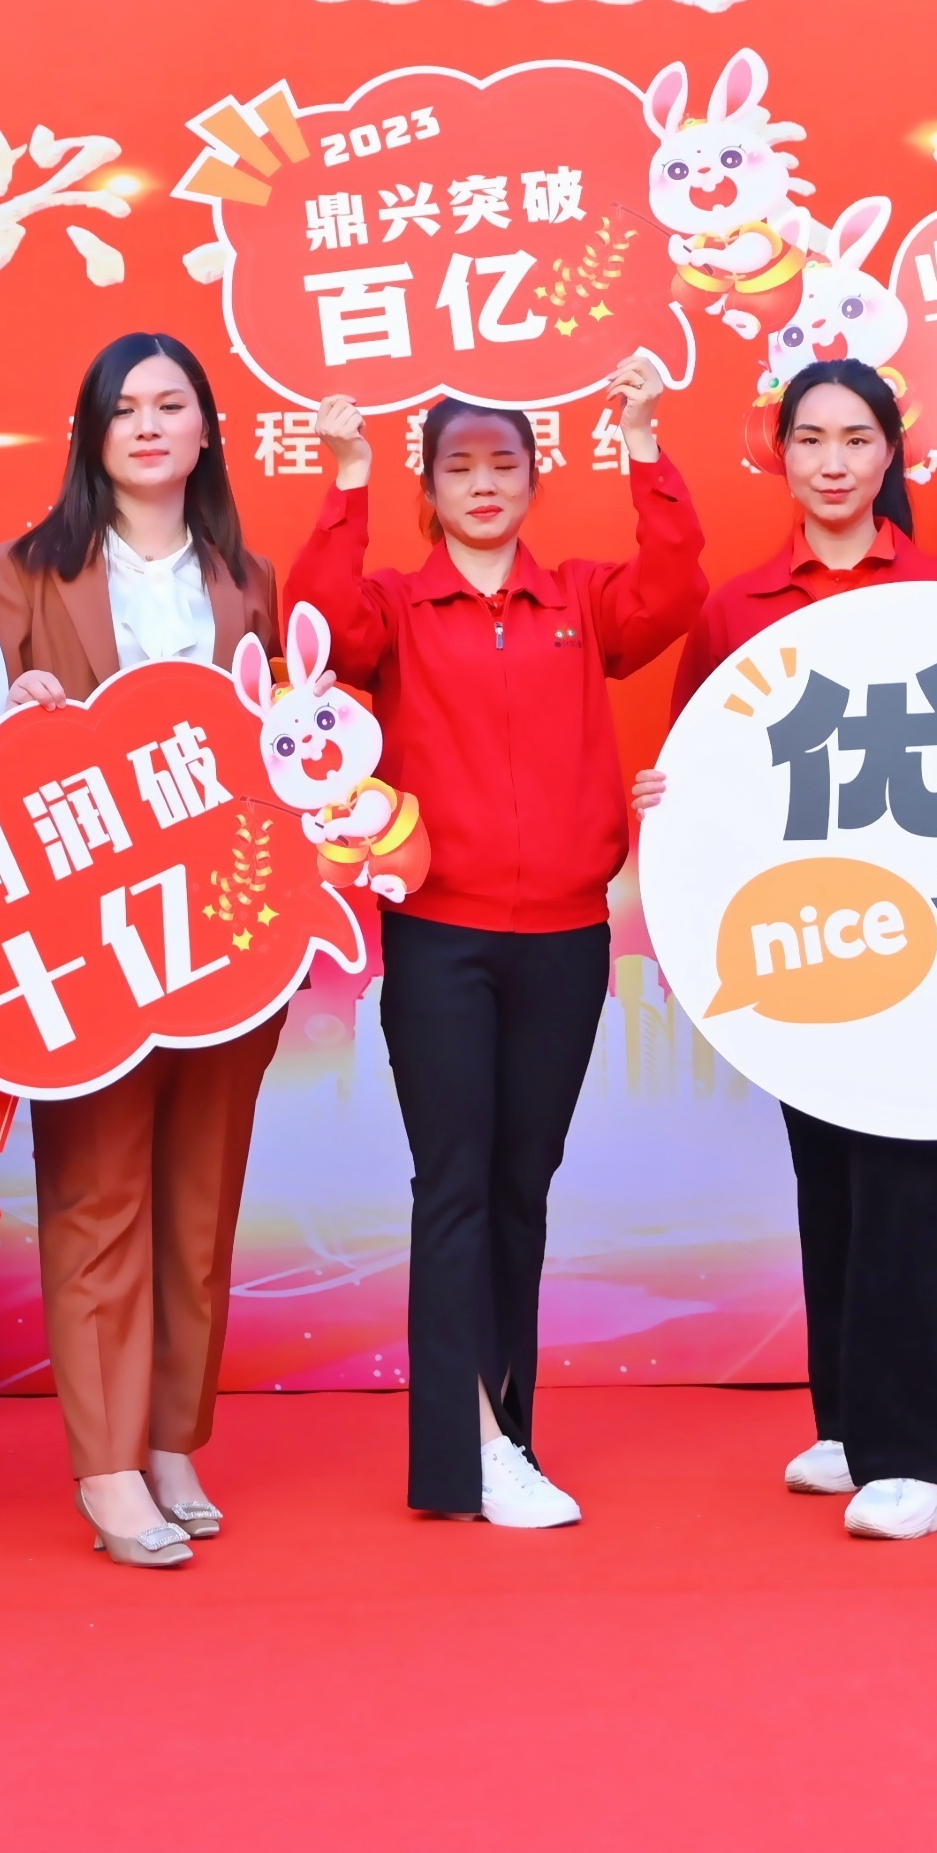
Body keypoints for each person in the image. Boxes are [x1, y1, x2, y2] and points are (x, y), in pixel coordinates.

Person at [288, 353, 705, 1528]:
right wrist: (347, 480)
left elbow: (673, 589)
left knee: (523, 1189)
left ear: (532, 478)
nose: (483, 484)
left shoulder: (577, 599)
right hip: (440, 938)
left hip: (565, 938)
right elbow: (317, 623)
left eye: (503, 464)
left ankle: (503, 1437)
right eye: (459, 466)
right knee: (456, 1188)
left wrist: (642, 443)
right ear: (429, 487)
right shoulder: (395, 609)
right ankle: (466, 1451)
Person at [644, 361, 937, 1542]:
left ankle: (921, 1459)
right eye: (810, 440)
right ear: (779, 454)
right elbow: (700, 769)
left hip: (931, 943)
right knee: (830, 1183)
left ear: (892, 454)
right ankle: (848, 1426)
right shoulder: (738, 609)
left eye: (855, 439)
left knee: (905, 1193)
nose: (833, 462)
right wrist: (663, 801)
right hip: (801, 942)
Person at [0, 332, 285, 1568]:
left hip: (227, 931)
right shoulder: (28, 571)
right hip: (86, 939)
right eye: (123, 408)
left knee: (199, 1198)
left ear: (207, 428)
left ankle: (170, 1439)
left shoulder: (247, 580)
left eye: (171, 404)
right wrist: (18, 714)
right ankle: (105, 1465)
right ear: (91, 434)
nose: (148, 425)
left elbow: (283, 747)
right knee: (98, 1194)